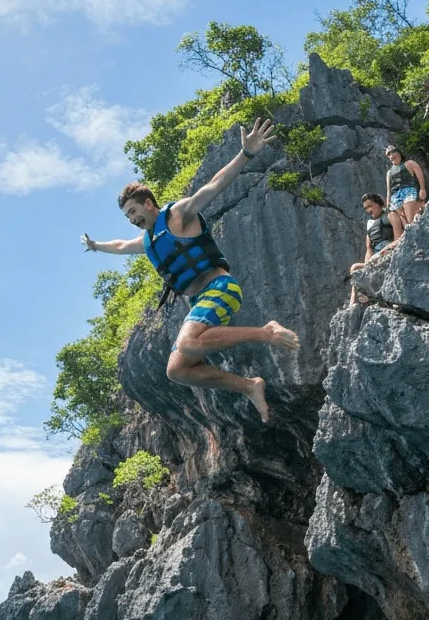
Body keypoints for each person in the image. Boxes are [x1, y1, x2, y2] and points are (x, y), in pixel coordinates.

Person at [80, 118, 299, 424]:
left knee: (188, 343)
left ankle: (268, 332)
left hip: (220, 288)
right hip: (199, 303)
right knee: (177, 370)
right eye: (126, 215)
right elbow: (119, 246)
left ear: (147, 203)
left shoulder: (178, 216)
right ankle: (249, 386)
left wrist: (246, 154)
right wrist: (96, 246)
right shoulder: (148, 241)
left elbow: (214, 185)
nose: (131, 218)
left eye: (133, 211)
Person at [349, 193, 405, 306]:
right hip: (375, 257)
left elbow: (399, 239)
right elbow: (369, 249)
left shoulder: (391, 216)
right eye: (365, 208)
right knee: (355, 268)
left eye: (370, 206)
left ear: (378, 204)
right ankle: (353, 301)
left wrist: (385, 250)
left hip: (390, 252)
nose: (368, 210)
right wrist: (367, 264)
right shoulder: (369, 228)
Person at [383, 145, 426, 224]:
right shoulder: (389, 173)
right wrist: (388, 204)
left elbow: (420, 176)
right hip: (395, 197)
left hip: (409, 192)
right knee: (404, 222)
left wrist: (422, 189)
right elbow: (389, 191)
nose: (391, 155)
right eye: (388, 154)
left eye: (393, 151)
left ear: (399, 152)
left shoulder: (409, 164)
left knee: (410, 217)